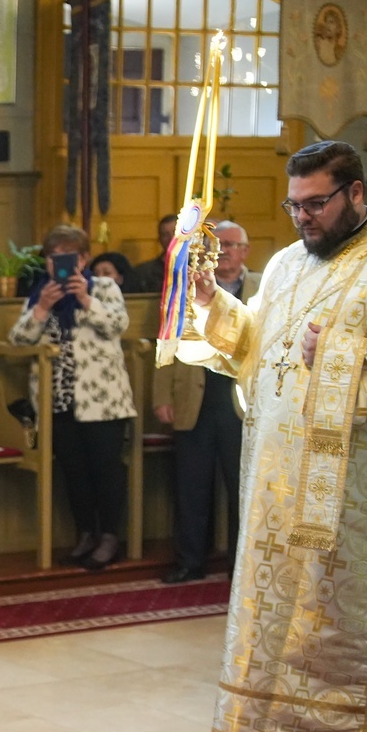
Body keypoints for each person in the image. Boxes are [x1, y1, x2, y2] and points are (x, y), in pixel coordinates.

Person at [178, 140, 367, 732]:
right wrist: (212, 303)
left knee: (335, 606)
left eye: (316, 204)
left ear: (355, 192)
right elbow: (255, 346)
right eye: (294, 205)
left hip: (353, 482)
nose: (303, 217)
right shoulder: (283, 266)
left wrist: (343, 354)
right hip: (273, 473)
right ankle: (270, 722)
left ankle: (345, 730)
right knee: (272, 603)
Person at [8, 224, 135, 569]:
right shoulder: (40, 292)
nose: (59, 264)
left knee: (105, 470)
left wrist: (85, 300)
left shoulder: (104, 287)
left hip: (103, 400)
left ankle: (110, 536)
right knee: (74, 472)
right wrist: (42, 308)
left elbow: (117, 325)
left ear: (83, 259)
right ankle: (86, 534)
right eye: (53, 257)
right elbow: (18, 340)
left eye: (68, 257)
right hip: (57, 400)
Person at [152, 221, 258, 585]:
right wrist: (162, 395)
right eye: (219, 244)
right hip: (193, 398)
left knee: (242, 489)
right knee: (191, 486)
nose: (223, 251)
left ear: (245, 250)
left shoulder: (264, 287)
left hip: (242, 404)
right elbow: (167, 336)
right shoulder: (187, 284)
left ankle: (240, 568)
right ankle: (189, 562)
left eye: (231, 244)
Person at [124, 213, 177, 294]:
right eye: (165, 235)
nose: (172, 238)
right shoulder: (143, 273)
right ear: (160, 240)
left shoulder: (196, 267)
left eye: (175, 233)